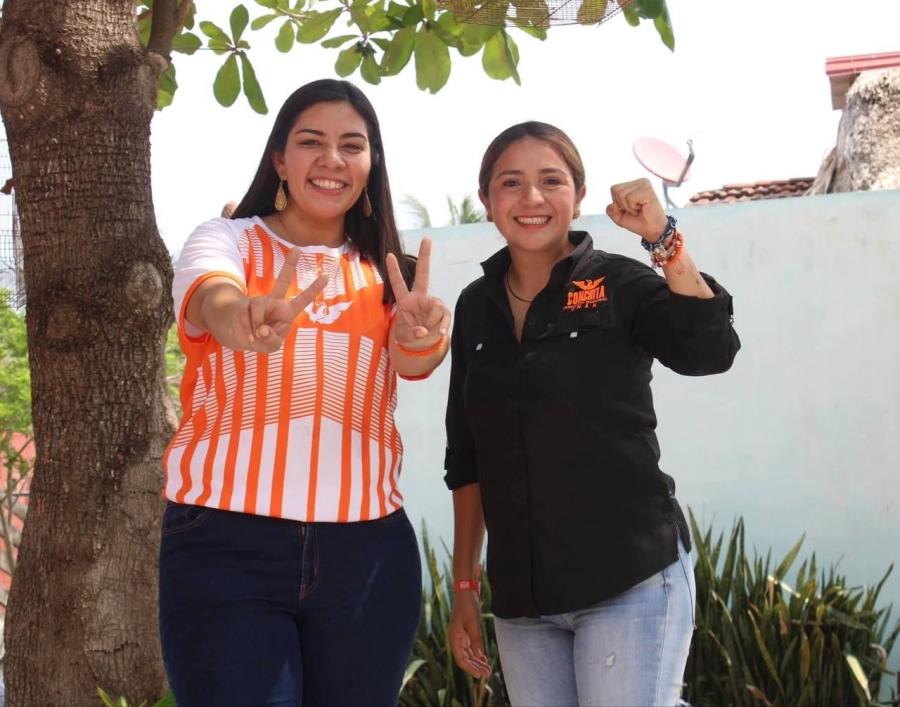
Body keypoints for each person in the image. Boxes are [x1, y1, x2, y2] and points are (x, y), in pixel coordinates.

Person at [158, 78, 450, 707]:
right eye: (312, 142)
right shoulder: (225, 239)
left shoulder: (390, 272)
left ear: (371, 165)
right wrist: (240, 316)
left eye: (353, 145)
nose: (332, 159)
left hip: (368, 553)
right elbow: (213, 299)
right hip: (225, 545)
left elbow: (414, 359)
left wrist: (422, 336)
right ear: (279, 161)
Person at [444, 121, 740, 707]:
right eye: (511, 182)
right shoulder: (475, 307)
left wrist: (663, 238)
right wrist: (464, 587)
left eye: (551, 181)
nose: (531, 197)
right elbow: (467, 458)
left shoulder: (618, 283)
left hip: (629, 580)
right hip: (525, 601)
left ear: (578, 196)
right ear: (486, 200)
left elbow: (710, 351)